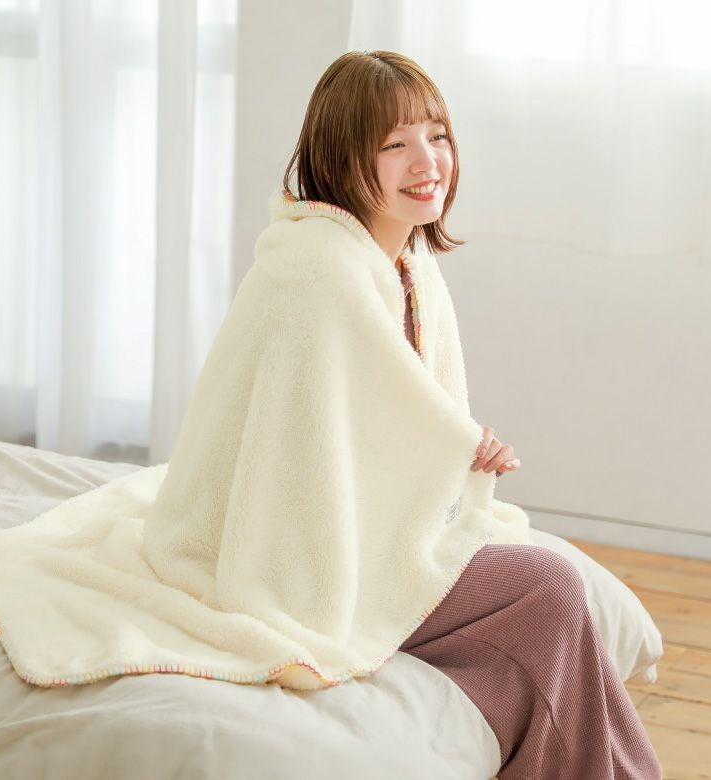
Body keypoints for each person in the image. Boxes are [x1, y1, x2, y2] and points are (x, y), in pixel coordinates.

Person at [281, 49, 662, 779]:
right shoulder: (316, 274)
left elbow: (389, 413)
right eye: (393, 144)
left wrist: (458, 449)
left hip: (389, 532)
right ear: (341, 159)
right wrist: (443, 448)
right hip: (327, 558)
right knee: (549, 586)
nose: (427, 160)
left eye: (437, 135)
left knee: (541, 626)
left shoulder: (408, 264)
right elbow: (306, 451)